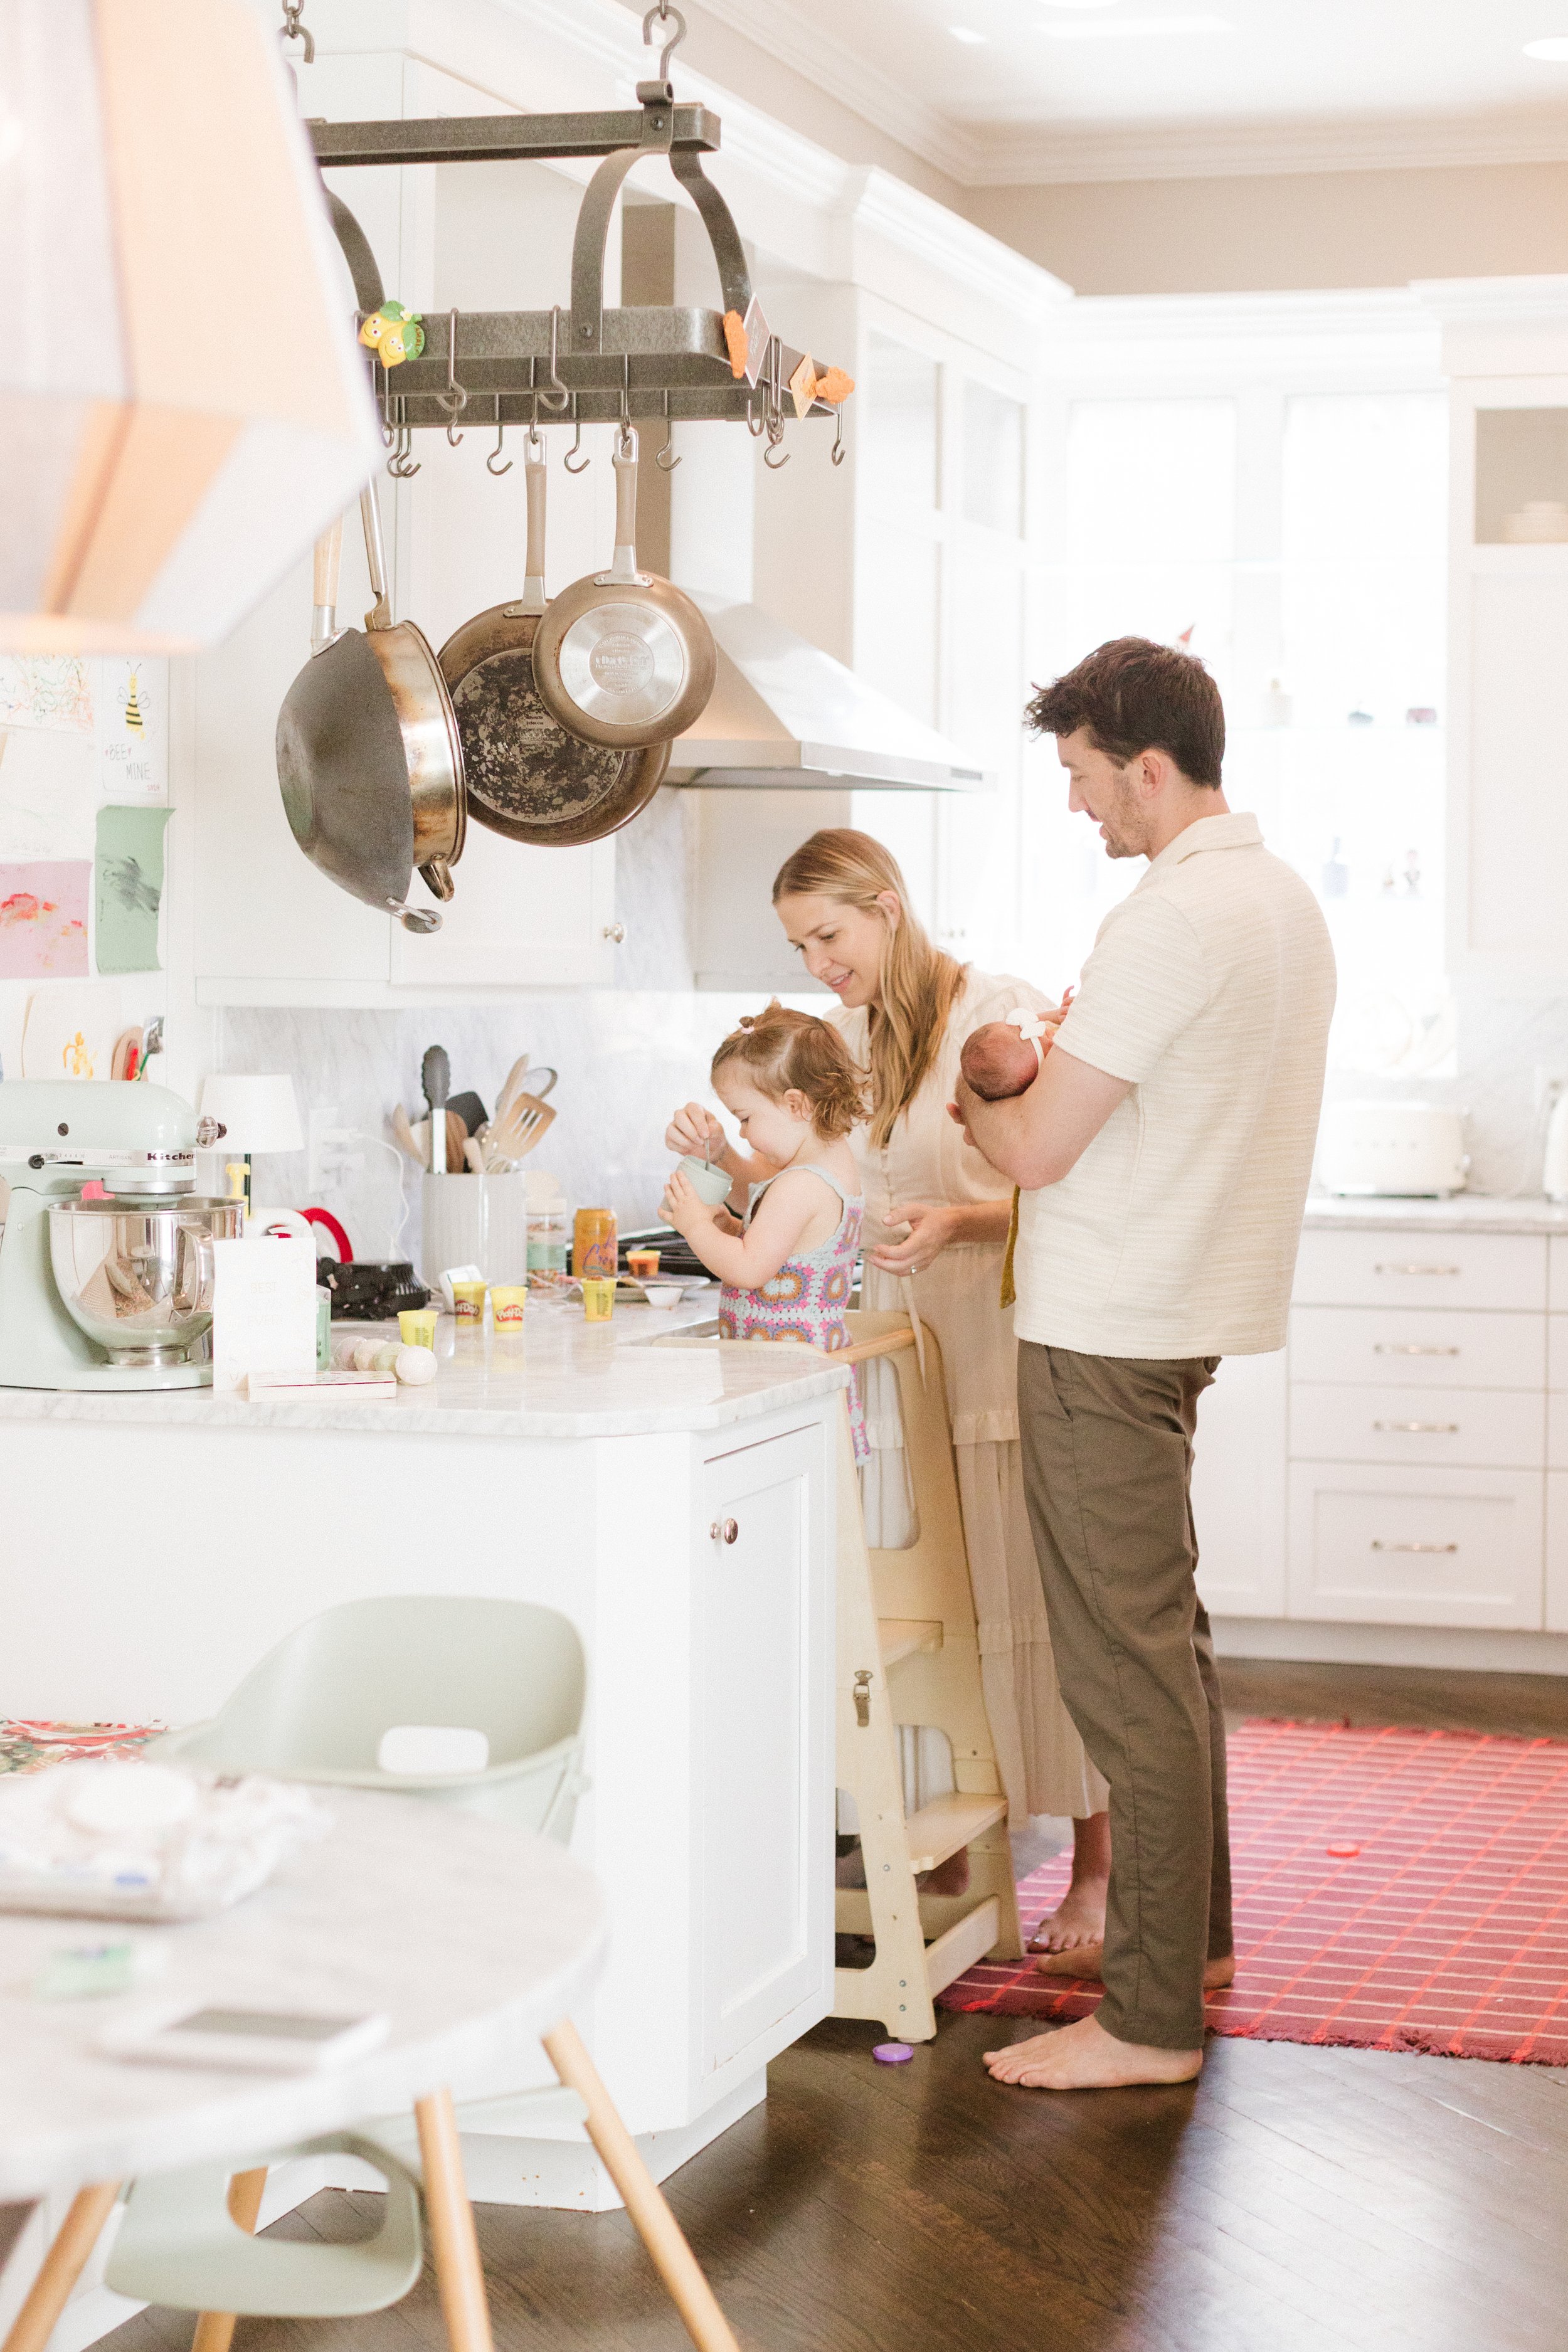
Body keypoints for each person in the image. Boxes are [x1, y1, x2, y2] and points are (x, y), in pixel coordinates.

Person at [955, 637, 1335, 2094]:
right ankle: (1201, 1943)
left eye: (1081, 775)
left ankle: (1149, 2019)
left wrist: (981, 1094)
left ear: (1148, 765)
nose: (1077, 806)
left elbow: (1042, 1148)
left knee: (1124, 1671)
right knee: (1167, 1646)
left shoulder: (1169, 918)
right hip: (1175, 1316)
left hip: (1106, 1320)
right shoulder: (1280, 899)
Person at [667, 832, 1113, 1955]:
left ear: (888, 908)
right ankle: (952, 1837)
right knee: (936, 1610)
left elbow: (1078, 1187)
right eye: (799, 944)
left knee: (1043, 1605)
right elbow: (807, 1174)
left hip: (1000, 1338)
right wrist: (726, 1155)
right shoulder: (842, 1044)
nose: (818, 961)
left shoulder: (992, 1017)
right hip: (890, 1364)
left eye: (830, 934)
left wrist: (960, 1220)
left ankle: (1098, 1873)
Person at [661, 1004, 871, 1461]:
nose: (742, 1133)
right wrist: (731, 1228)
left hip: (786, 1382)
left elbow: (750, 1269)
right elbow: (786, 1253)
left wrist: (696, 1224)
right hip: (798, 1375)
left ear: (795, 1104)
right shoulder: (827, 1167)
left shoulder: (800, 1183)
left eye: (746, 1118)